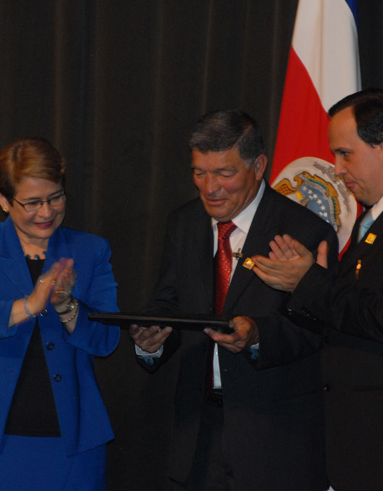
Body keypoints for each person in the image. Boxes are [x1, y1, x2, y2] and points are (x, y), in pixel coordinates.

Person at [249, 90, 383, 490]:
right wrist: (306, 279)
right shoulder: (382, 221)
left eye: (345, 153)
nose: (336, 168)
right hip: (360, 450)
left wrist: (309, 281)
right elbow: (345, 317)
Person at [130, 109, 339, 490]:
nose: (210, 188)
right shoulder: (184, 223)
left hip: (274, 439)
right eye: (199, 172)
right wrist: (151, 336)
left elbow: (316, 329)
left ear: (258, 167)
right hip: (198, 438)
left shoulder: (305, 230)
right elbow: (169, 303)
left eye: (224, 174)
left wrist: (257, 335)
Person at [0, 137, 120, 490]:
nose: (46, 213)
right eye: (32, 202)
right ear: (3, 200)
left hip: (71, 444)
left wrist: (66, 305)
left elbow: (107, 339)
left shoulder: (90, 250)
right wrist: (30, 304)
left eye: (55, 197)